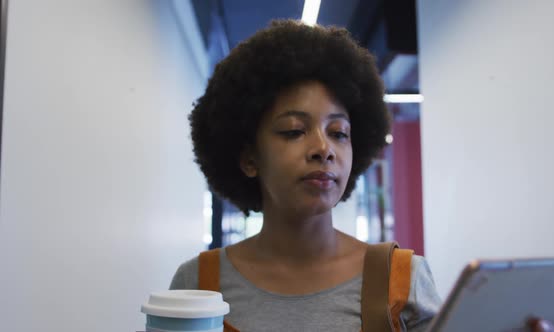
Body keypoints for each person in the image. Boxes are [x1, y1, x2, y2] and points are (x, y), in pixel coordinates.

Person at [169, 19, 442, 331]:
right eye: (294, 131)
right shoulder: (196, 284)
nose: (323, 148)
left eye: (339, 133)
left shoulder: (404, 280)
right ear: (248, 158)